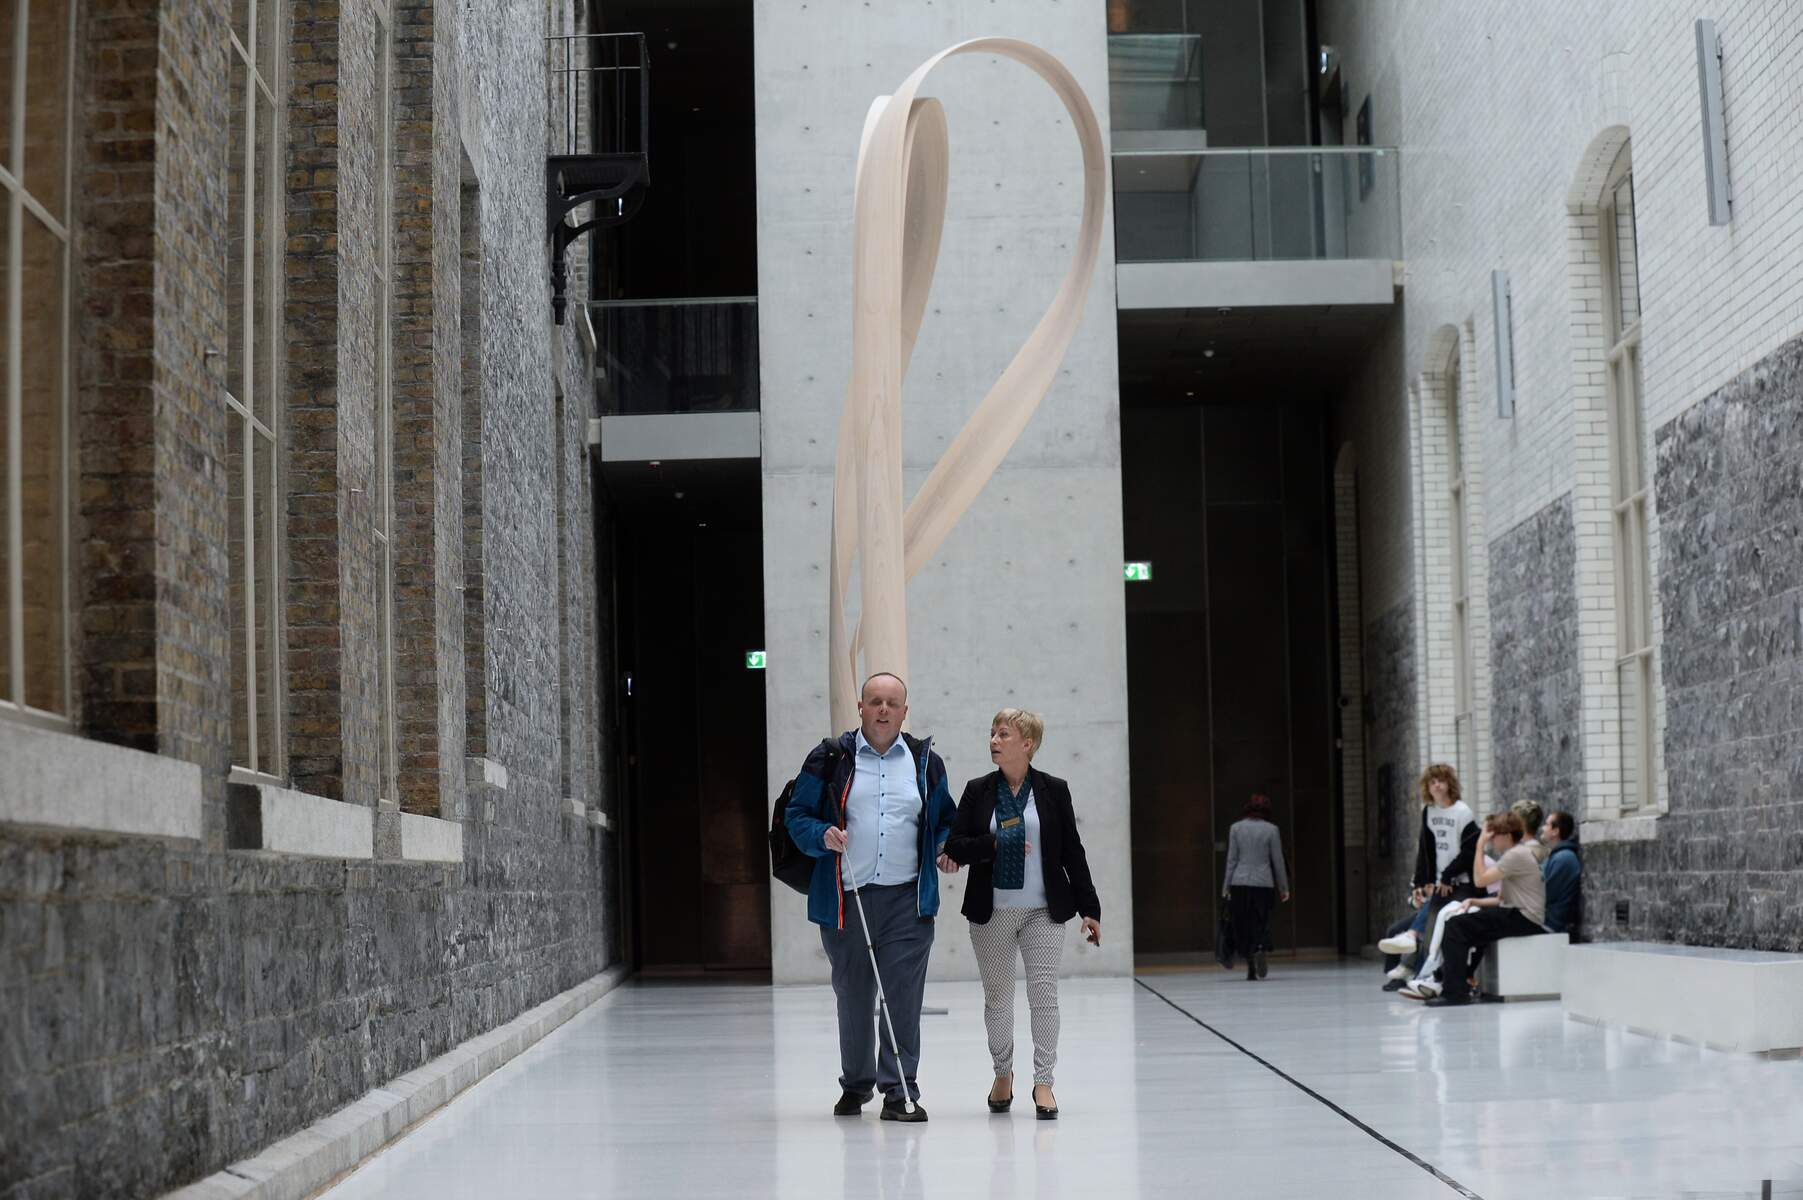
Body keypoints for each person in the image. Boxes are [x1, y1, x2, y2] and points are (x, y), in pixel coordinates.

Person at [783, 672, 958, 1122]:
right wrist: (821, 834)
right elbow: (796, 816)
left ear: (904, 712)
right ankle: (856, 1084)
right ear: (860, 707)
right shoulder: (830, 758)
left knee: (902, 999)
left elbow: (945, 820)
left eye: (892, 703)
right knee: (854, 997)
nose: (883, 709)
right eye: (875, 701)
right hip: (847, 900)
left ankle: (900, 1091)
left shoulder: (925, 762)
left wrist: (946, 848)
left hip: (907, 902)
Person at [944, 708, 1100, 1122]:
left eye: (1003, 734)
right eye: (992, 733)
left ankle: (1044, 1081)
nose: (994, 741)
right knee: (997, 998)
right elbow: (956, 845)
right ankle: (1002, 1073)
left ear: (1027, 744)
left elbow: (1072, 851)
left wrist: (1090, 909)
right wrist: (996, 844)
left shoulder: (1053, 790)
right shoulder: (978, 790)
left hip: (1043, 912)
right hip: (991, 910)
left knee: (1044, 996)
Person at [1424, 810, 1546, 1007]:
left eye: (1494, 836)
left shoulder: (1515, 855)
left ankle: (1454, 992)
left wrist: (1479, 846)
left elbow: (1480, 881)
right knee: (1467, 923)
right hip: (1520, 914)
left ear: (1507, 836)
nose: (1491, 840)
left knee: (1456, 926)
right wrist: (1475, 901)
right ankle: (1448, 978)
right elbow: (1501, 899)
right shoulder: (1517, 854)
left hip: (1524, 918)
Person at [1376, 764, 1478, 987]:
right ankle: (1418, 973)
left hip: (1462, 883)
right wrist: (1422, 882)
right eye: (1432, 782)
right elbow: (1426, 850)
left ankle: (1412, 960)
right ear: (1427, 787)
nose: (1437, 785)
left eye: (1441, 781)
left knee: (1436, 928)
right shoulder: (1429, 812)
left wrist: (1448, 876)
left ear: (1450, 784)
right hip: (1441, 883)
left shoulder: (1463, 812)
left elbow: (1469, 852)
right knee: (1430, 929)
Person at [1222, 794, 1290, 981]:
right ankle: (1260, 947)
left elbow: (1231, 860)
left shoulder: (1235, 828)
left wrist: (1226, 886)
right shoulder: (1272, 830)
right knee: (1261, 921)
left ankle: (1250, 966)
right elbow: (1277, 860)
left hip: (1240, 882)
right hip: (1263, 883)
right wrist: (1283, 887)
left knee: (1243, 924)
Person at [1541, 811, 1583, 934]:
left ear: (1555, 831)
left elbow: (1543, 893)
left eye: (1546, 824)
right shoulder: (1555, 856)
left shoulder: (1564, 858)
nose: (1542, 828)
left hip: (1551, 923)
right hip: (1542, 918)